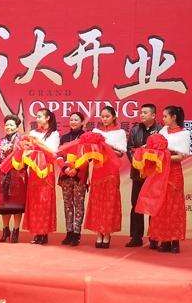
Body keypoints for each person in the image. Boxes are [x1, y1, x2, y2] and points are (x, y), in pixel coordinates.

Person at [149, 106, 190, 254]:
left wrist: (164, 157)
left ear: (174, 117)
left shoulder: (184, 134)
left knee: (174, 207)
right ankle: (164, 239)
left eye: (165, 116)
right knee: (161, 207)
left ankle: (175, 241)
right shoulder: (163, 131)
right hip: (161, 172)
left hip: (174, 172)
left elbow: (181, 156)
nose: (163, 119)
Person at [85, 106, 127, 249]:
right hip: (98, 169)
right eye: (102, 116)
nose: (104, 119)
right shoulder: (96, 132)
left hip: (111, 170)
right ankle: (99, 233)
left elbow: (120, 153)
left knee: (110, 201)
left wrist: (105, 145)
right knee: (98, 201)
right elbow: (90, 153)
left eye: (107, 116)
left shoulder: (120, 133)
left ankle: (107, 233)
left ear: (114, 117)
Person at [23, 108, 60, 245]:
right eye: (36, 116)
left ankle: (44, 233)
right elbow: (27, 150)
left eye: (40, 116)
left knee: (45, 201)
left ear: (48, 118)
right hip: (34, 171)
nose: (37, 119)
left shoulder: (54, 134)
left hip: (46, 172)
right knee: (34, 201)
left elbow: (53, 152)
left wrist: (37, 143)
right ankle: (36, 232)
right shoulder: (33, 133)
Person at [125, 103, 160, 248]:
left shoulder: (160, 130)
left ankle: (154, 237)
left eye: (145, 113)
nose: (142, 115)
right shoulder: (135, 130)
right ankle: (136, 237)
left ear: (153, 115)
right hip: (138, 173)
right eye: (141, 112)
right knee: (136, 205)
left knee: (153, 205)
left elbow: (161, 151)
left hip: (153, 175)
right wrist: (139, 163)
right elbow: (129, 149)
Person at [0, 114, 27, 243]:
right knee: (4, 205)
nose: (8, 127)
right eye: (7, 125)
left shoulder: (22, 142)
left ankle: (16, 231)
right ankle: (5, 230)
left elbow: (26, 157)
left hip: (18, 175)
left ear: (17, 127)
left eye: (11, 125)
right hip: (3, 175)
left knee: (17, 204)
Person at [58, 112, 88, 246]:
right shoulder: (64, 138)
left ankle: (76, 233)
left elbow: (88, 156)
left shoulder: (86, 137)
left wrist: (76, 169)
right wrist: (65, 169)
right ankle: (69, 232)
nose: (73, 122)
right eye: (71, 120)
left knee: (79, 204)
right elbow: (59, 155)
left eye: (76, 120)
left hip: (79, 175)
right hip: (65, 175)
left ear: (82, 122)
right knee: (68, 204)